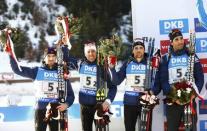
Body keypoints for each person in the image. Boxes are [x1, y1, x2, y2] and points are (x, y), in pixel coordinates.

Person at [8, 41, 75, 131]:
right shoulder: (37, 71)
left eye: (53, 56)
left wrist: (66, 104)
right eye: (49, 56)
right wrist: (10, 54)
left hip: (56, 110)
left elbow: (71, 95)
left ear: (56, 58)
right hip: (40, 110)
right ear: (44, 58)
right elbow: (17, 70)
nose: (51, 59)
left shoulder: (61, 73)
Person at [108, 39, 159, 131]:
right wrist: (112, 69)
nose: (138, 50)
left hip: (145, 102)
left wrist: (152, 92)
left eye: (141, 48)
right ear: (133, 50)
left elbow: (157, 82)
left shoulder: (150, 63)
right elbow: (117, 81)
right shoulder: (127, 63)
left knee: (146, 129)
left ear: (144, 50)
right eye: (136, 48)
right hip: (129, 103)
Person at [159, 28, 204, 131]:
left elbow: (200, 78)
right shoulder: (166, 58)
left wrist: (193, 94)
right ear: (171, 42)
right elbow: (163, 80)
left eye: (181, 38)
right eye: (176, 39)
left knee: (191, 129)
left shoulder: (191, 55)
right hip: (173, 101)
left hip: (189, 99)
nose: (180, 41)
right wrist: (173, 96)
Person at [68, 41, 117, 131]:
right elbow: (65, 59)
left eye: (93, 51)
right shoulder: (81, 64)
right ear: (85, 53)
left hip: (99, 105)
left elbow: (113, 86)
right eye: (88, 51)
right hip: (85, 106)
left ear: (96, 52)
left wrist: (108, 101)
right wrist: (65, 44)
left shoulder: (103, 66)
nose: (91, 54)